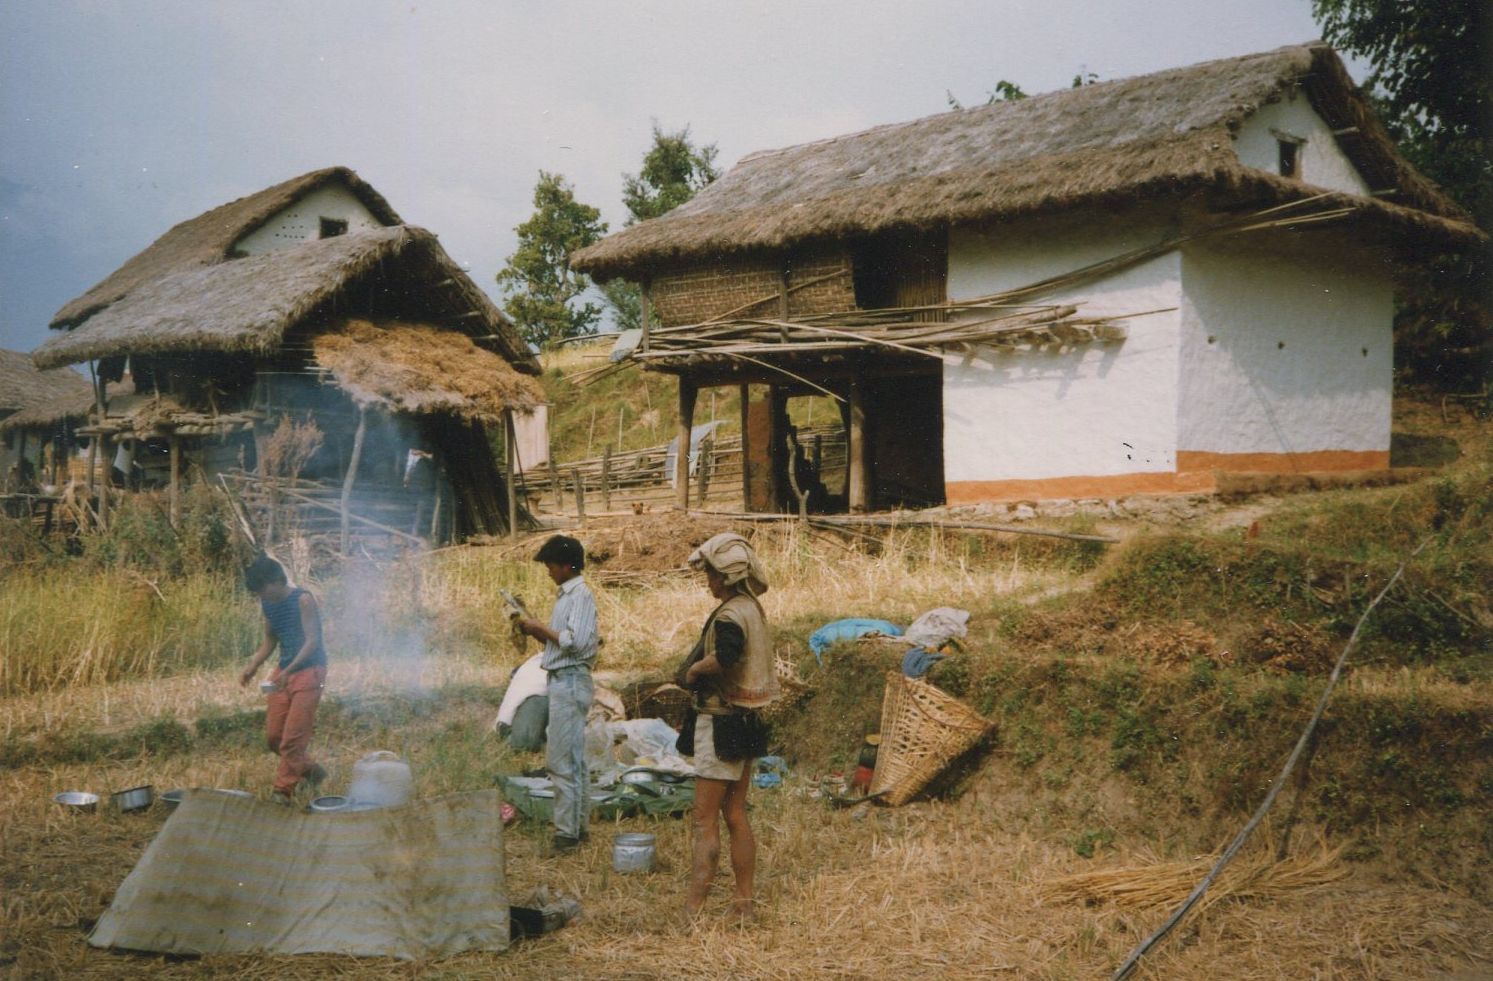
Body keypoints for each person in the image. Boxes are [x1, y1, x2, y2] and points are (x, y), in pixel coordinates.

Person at [675, 532, 780, 921]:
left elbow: (727, 657)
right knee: (735, 814)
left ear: (726, 576)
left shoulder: (731, 614)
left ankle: (693, 909)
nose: (708, 581)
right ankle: (744, 903)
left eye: (712, 574)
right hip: (747, 722)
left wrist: (695, 669)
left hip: (720, 723)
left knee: (705, 820)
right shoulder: (751, 607)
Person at [515, 535, 598, 853]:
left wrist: (540, 629)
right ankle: (578, 827)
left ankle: (567, 834)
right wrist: (538, 632)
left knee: (561, 761)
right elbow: (561, 645)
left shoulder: (579, 596)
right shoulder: (566, 597)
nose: (548, 570)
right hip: (564, 678)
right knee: (574, 760)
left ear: (567, 566)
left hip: (571, 682)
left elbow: (573, 642)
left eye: (551, 565)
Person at [238, 555, 328, 805]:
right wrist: (252, 667)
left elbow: (313, 641)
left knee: (292, 740)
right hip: (284, 670)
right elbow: (270, 639)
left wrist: (291, 669)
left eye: (263, 590)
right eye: (258, 593)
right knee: (274, 738)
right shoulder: (267, 604)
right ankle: (311, 771)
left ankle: (282, 791)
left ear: (278, 581)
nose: (262, 596)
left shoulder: (303, 600)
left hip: (310, 670)